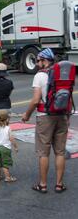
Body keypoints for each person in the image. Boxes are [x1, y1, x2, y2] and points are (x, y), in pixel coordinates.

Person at [22, 48, 69, 193]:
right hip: (62, 115)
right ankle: (59, 184)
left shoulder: (39, 76)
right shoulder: (62, 74)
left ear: (44, 60)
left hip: (45, 117)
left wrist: (27, 115)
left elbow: (36, 100)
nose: (36, 63)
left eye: (38, 60)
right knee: (60, 152)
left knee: (44, 152)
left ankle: (42, 185)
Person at [0, 110, 18, 182]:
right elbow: (11, 139)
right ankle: (8, 177)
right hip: (5, 148)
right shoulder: (7, 128)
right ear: (7, 119)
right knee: (5, 164)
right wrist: (15, 146)